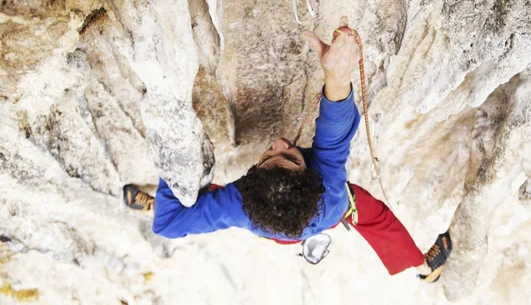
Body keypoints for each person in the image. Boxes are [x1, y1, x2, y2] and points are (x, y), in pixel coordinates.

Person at [123, 17, 452, 282]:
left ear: (249, 182)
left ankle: (152, 202)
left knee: (200, 199)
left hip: (274, 226)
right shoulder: (331, 192)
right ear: (314, 175)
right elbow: (334, 134)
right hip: (329, 215)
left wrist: (178, 174)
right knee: (377, 219)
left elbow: (167, 223)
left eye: (269, 156)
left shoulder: (237, 204)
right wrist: (337, 77)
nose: (280, 143)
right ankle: (426, 269)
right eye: (291, 156)